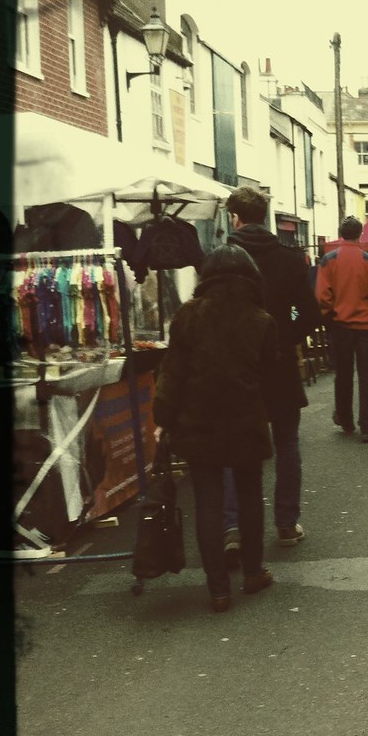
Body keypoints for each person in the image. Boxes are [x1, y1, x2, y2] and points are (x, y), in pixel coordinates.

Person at [152, 245, 275, 613]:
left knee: (207, 501)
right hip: (245, 420)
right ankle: (253, 573)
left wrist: (163, 418)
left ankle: (218, 590)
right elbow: (270, 378)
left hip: (198, 421)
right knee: (250, 497)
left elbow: (172, 374)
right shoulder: (261, 320)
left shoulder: (187, 316)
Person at [220, 186, 318, 556]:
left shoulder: (223, 259)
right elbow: (311, 314)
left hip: (236, 364)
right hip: (278, 363)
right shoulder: (290, 259)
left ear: (234, 218)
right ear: (264, 217)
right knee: (287, 441)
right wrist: (283, 337)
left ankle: (233, 527)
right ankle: (286, 523)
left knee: (234, 445)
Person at [315, 216, 368, 443]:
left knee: (343, 374)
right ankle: (367, 426)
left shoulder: (328, 260)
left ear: (341, 233)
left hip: (340, 326)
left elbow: (322, 296)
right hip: (367, 327)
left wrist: (330, 317)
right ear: (360, 234)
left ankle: (345, 418)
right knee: (367, 376)